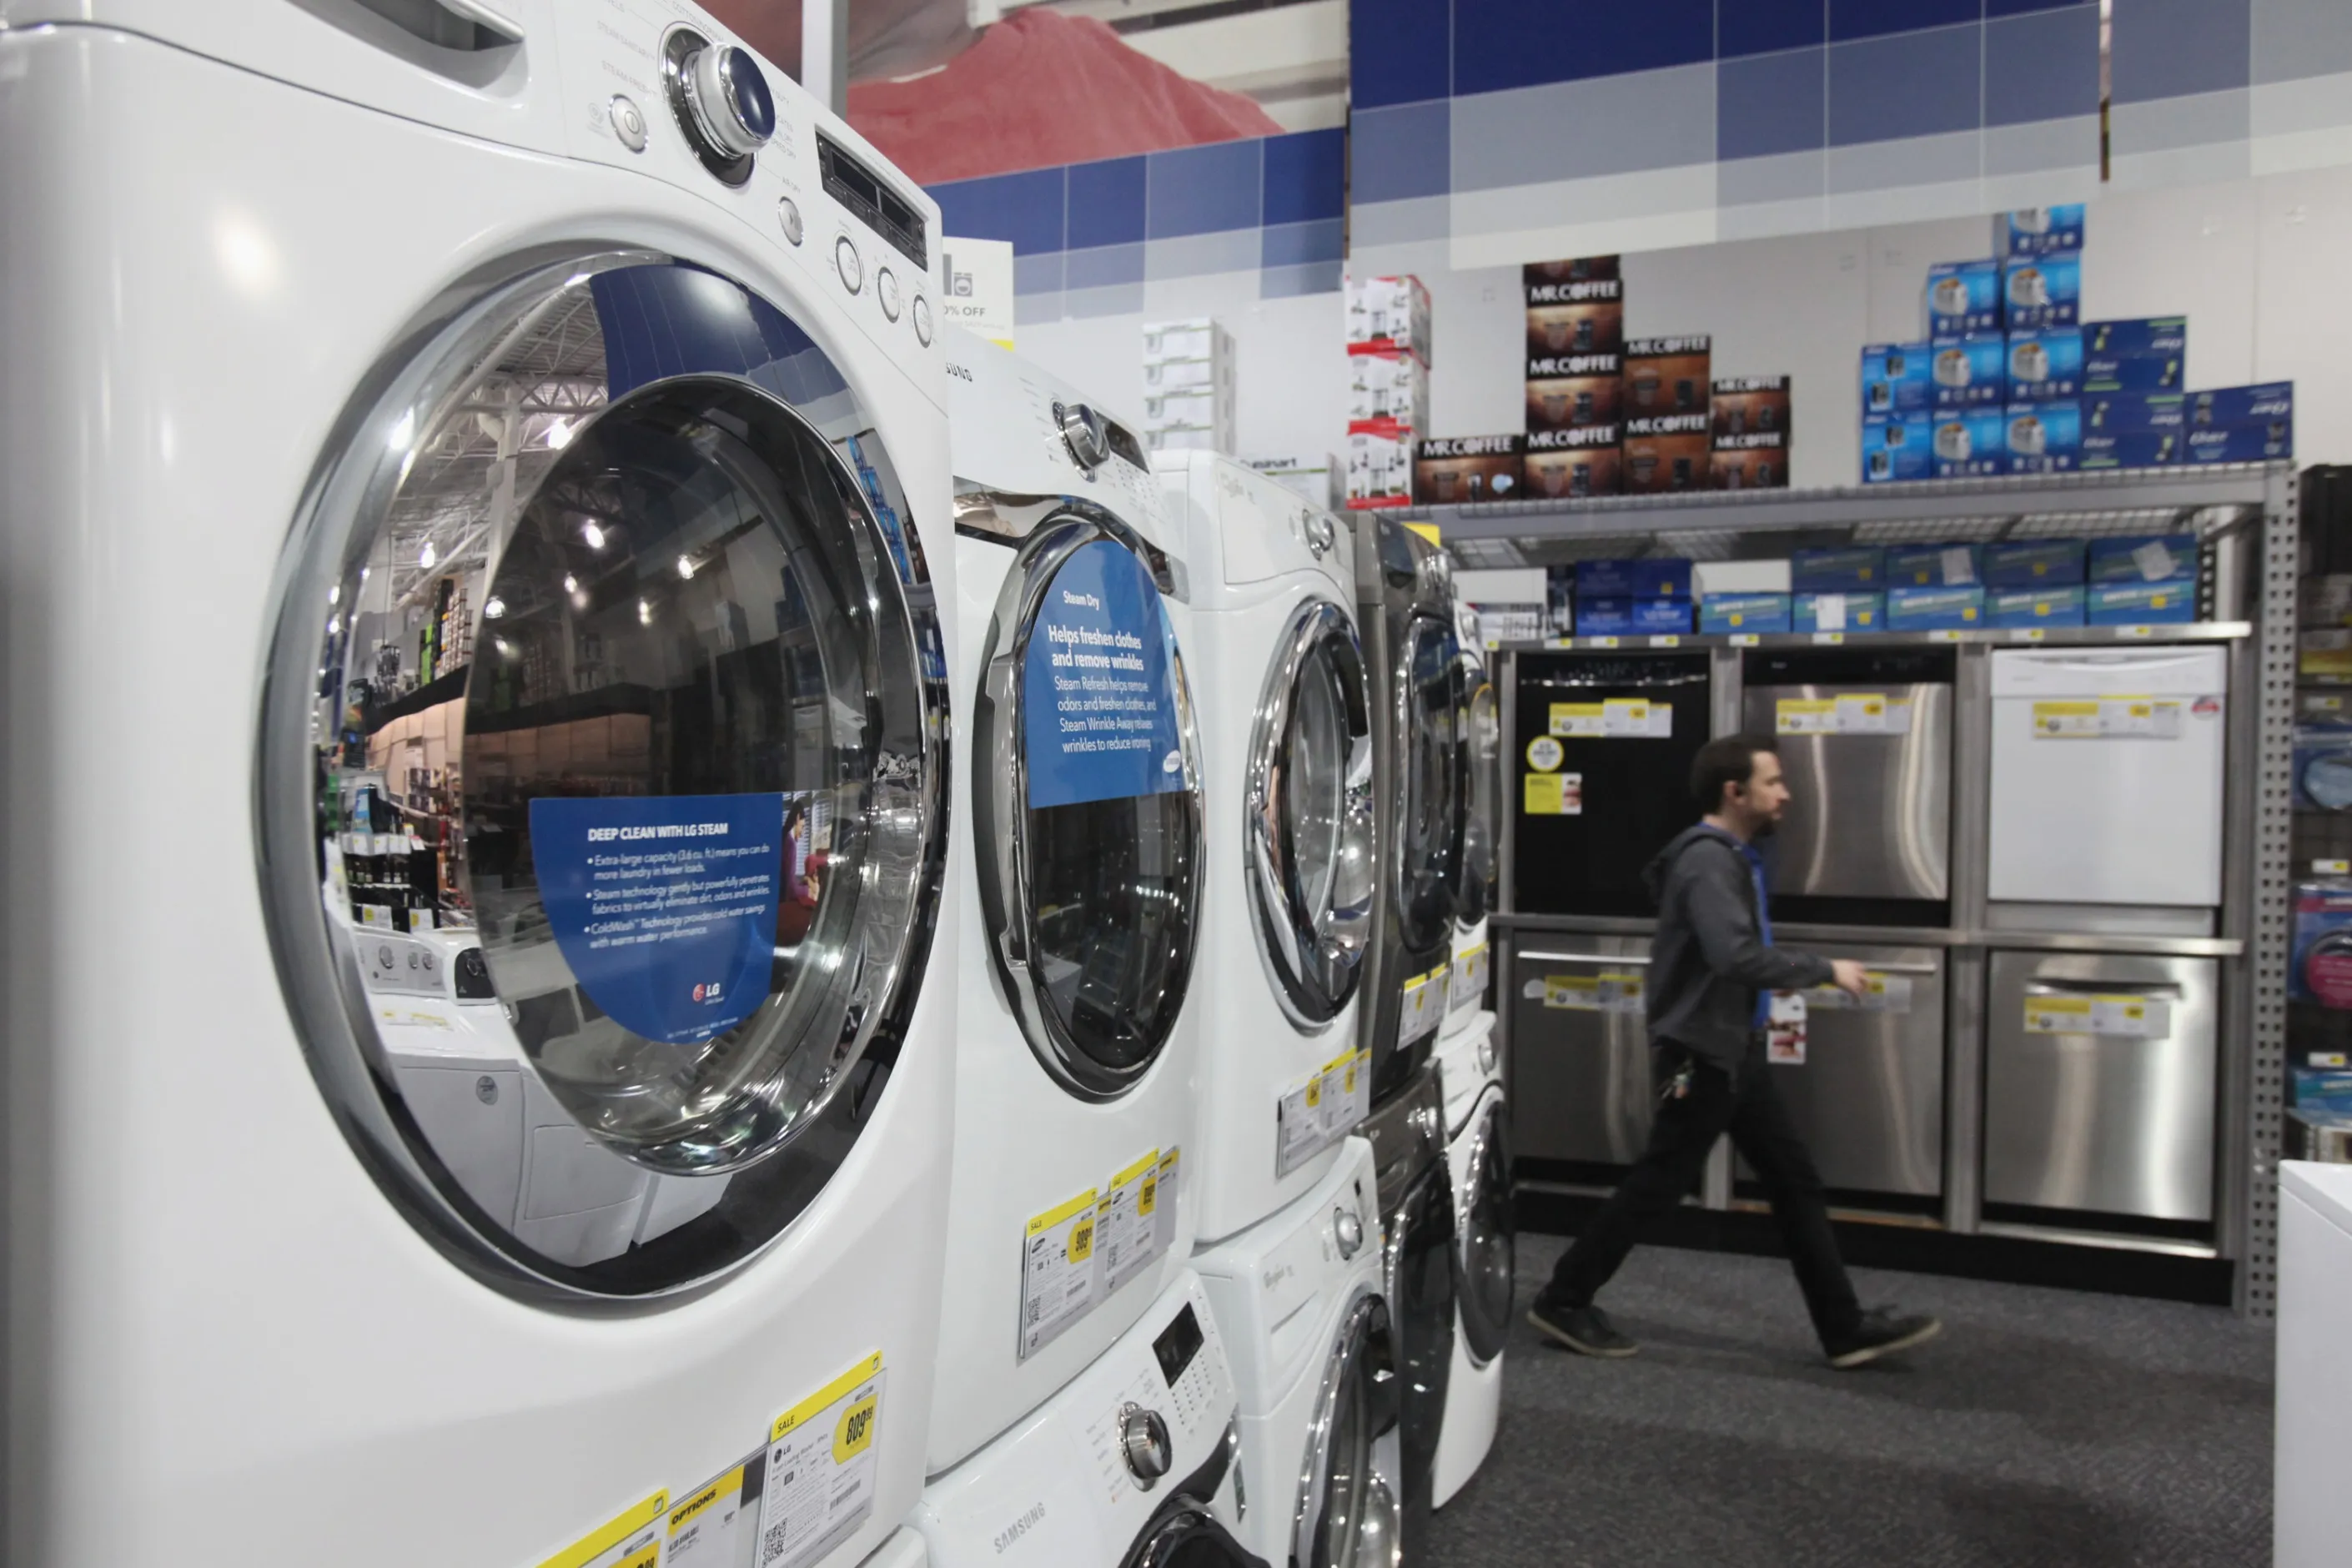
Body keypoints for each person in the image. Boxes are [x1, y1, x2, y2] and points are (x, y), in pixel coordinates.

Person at [1527, 734, 1942, 1369]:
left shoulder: (1732, 855)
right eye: (1773, 781)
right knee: (1660, 1182)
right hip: (1703, 1053)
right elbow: (1735, 955)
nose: (1787, 793)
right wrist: (1824, 968)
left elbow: (1730, 952)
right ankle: (1564, 1296)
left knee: (1792, 1182)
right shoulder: (1707, 862)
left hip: (1731, 1051)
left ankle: (1844, 1328)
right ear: (1735, 790)